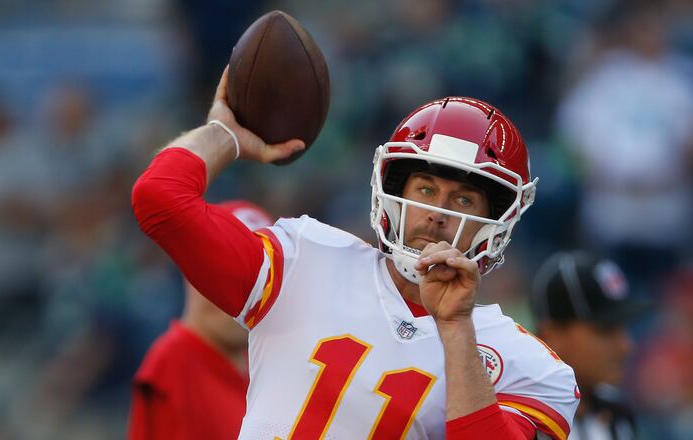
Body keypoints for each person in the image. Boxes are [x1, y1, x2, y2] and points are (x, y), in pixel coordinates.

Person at [132, 67, 579, 439]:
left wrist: (457, 329)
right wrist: (223, 134)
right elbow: (159, 200)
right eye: (425, 189)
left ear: (495, 223)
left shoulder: (528, 365)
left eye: (464, 200)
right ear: (390, 193)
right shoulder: (302, 261)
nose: (437, 214)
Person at [128, 200, 273, 440]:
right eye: (223, 275)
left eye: (255, 283)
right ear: (191, 268)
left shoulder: (267, 368)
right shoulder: (173, 363)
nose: (238, 302)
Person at [531, 251, 647, 440]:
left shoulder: (617, 413)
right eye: (605, 330)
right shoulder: (517, 416)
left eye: (623, 328)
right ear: (551, 335)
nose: (626, 346)